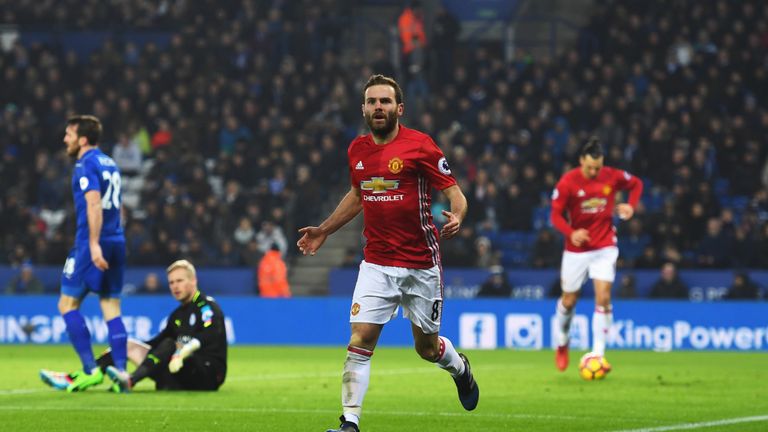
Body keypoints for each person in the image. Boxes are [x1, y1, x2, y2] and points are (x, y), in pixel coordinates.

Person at [297, 74, 478, 432]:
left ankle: (460, 369)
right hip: (377, 263)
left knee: (426, 349)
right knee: (360, 338)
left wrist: (458, 215)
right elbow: (358, 194)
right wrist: (324, 230)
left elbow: (455, 192)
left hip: (420, 264)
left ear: (399, 108)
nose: (378, 107)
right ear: (363, 109)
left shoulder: (421, 146)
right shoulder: (358, 150)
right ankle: (350, 422)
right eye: (372, 102)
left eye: (385, 101)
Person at [40, 260, 228, 392]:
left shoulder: (206, 306)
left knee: (171, 344)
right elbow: (155, 344)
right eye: (171, 282)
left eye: (180, 281)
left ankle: (129, 380)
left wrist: (182, 352)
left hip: (208, 374)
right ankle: (83, 375)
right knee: (129, 345)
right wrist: (125, 351)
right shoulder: (177, 315)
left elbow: (209, 336)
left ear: (193, 281)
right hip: (179, 373)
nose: (175, 286)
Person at [550, 136, 643, 373]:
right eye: (590, 167)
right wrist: (571, 233)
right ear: (581, 161)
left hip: (604, 247)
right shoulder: (568, 182)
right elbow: (555, 217)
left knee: (603, 297)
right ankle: (562, 341)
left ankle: (598, 354)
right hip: (576, 250)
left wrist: (630, 206)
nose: (594, 171)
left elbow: (636, 184)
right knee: (568, 301)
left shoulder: (611, 175)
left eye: (597, 167)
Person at [55, 115, 129, 392]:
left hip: (91, 242)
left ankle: (90, 370)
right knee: (111, 306)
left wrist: (94, 244)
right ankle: (122, 373)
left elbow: (94, 203)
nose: (65, 139)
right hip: (117, 239)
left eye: (69, 134)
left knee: (67, 304)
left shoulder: (85, 164)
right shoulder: (110, 162)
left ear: (82, 139)